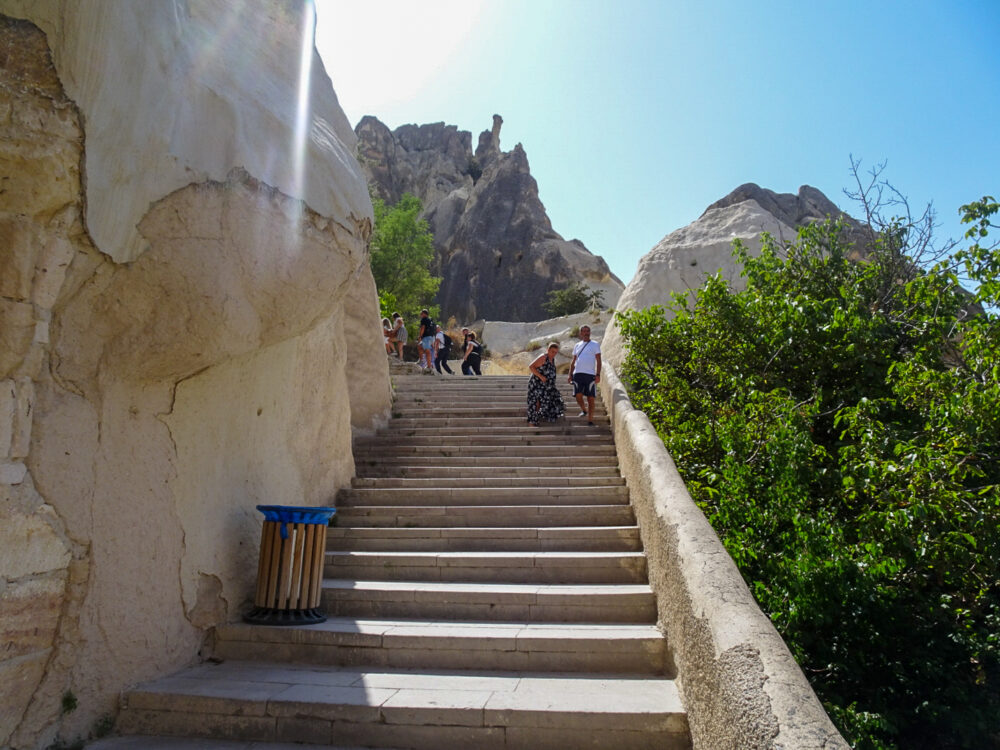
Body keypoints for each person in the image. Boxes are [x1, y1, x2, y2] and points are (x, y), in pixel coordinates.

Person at [568, 325, 601, 425]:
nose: (586, 333)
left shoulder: (595, 344)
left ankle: (590, 420)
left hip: (590, 374)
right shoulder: (577, 345)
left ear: (590, 333)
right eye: (584, 331)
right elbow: (573, 361)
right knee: (578, 395)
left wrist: (598, 374)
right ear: (581, 333)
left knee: (590, 398)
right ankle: (584, 409)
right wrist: (570, 374)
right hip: (577, 374)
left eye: (588, 331)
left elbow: (599, 361)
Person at [526, 342, 565, 426]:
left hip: (546, 385)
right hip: (536, 383)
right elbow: (531, 366)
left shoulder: (552, 359)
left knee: (546, 401)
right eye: (552, 351)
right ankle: (532, 423)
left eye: (555, 352)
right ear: (548, 350)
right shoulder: (543, 357)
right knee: (535, 402)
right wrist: (540, 376)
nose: (554, 354)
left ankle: (536, 419)